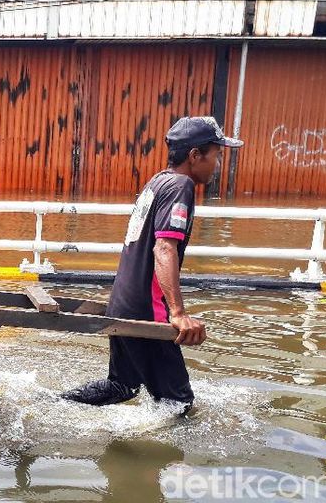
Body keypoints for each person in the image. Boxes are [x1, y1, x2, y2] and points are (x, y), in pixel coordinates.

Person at [62, 116, 243, 412]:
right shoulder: (180, 186)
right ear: (194, 155)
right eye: (216, 155)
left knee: (121, 386)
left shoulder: (157, 181)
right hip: (147, 311)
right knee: (179, 405)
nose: (218, 165)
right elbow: (164, 247)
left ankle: (51, 405)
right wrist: (178, 313)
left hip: (123, 304)